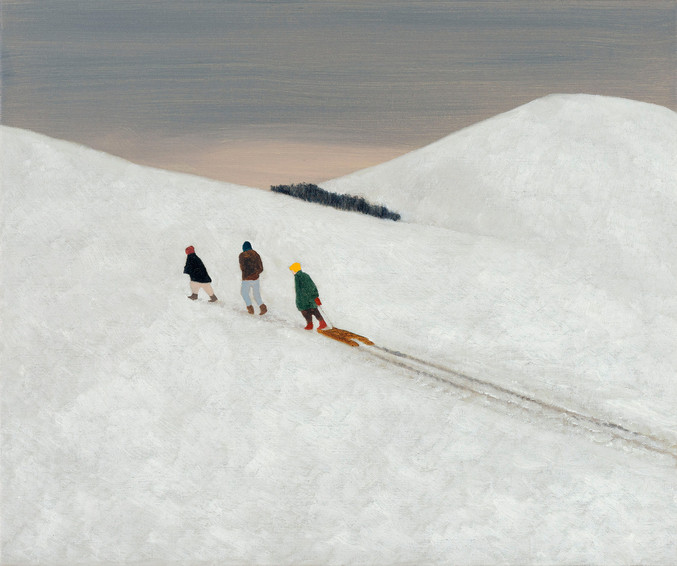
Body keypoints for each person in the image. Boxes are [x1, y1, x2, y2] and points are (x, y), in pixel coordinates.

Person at [289, 262, 327, 330]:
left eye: (292, 270)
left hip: (306, 298)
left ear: (295, 269)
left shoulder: (300, 277)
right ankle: (311, 324)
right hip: (305, 298)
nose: (292, 272)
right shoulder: (300, 276)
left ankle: (320, 323)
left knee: (311, 310)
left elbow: (309, 286)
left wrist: (313, 296)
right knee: (309, 311)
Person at [239, 241, 267, 315]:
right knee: (256, 294)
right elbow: (261, 268)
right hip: (255, 278)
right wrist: (255, 273)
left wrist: (247, 275)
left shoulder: (241, 255)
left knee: (244, 293)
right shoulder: (256, 254)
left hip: (246, 279)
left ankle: (250, 308)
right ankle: (263, 307)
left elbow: (242, 267)